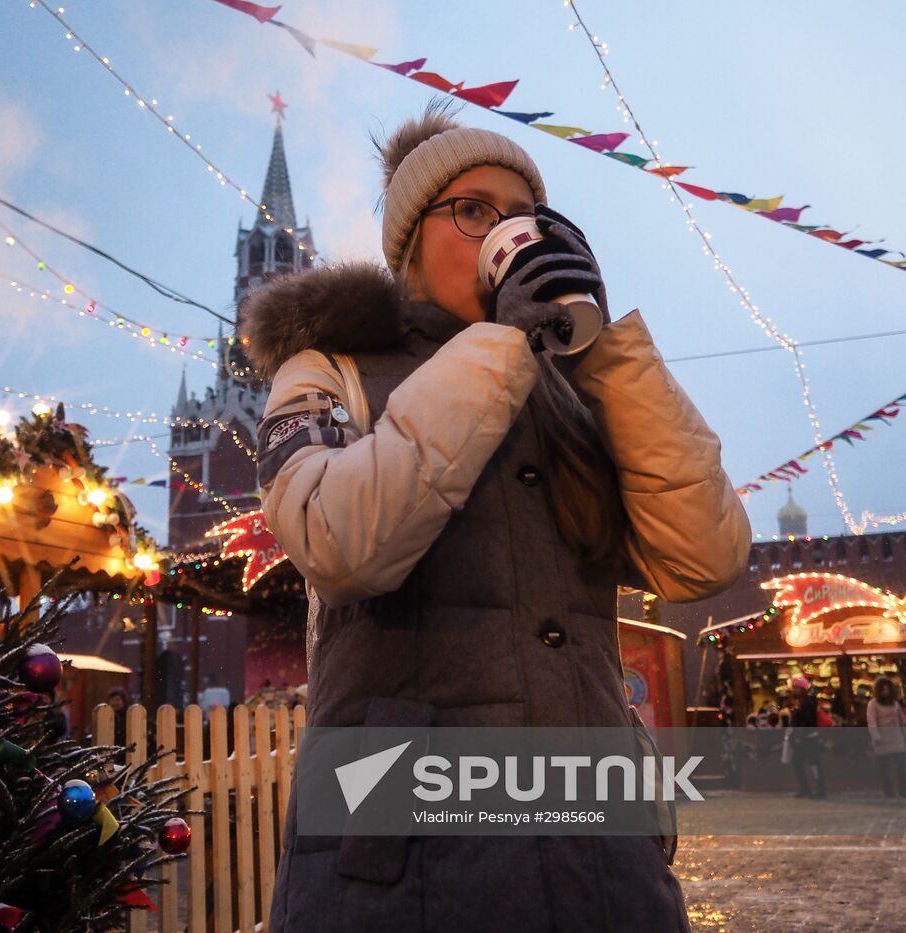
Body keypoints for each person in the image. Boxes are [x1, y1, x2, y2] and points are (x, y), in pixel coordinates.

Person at [243, 103, 750, 932]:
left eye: (524, 219)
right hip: (397, 864)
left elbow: (705, 554)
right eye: (473, 211)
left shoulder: (574, 395)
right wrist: (498, 347)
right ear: (410, 242)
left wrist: (604, 354)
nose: (503, 234)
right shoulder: (329, 368)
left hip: (600, 855)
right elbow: (336, 541)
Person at [867, 675, 906, 797]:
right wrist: (876, 737)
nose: (886, 692)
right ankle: (889, 791)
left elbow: (901, 722)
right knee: (885, 768)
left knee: (900, 766)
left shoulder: (895, 703)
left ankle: (903, 790)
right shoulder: (873, 704)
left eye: (888, 689)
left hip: (897, 737)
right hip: (882, 738)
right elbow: (872, 722)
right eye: (883, 689)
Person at [788, 676, 827, 799]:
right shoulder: (801, 702)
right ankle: (807, 789)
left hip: (808, 738)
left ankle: (818, 790)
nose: (794, 690)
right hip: (804, 737)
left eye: (796, 687)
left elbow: (808, 721)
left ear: (802, 688)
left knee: (813, 763)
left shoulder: (807, 702)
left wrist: (800, 734)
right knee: (799, 762)